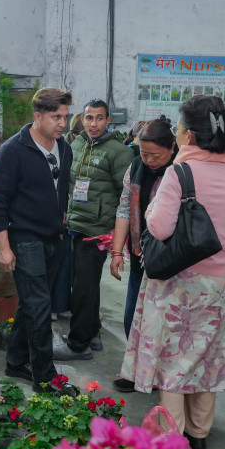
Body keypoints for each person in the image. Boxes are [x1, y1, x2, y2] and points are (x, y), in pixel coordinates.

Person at [118, 96, 225, 449]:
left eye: (178, 129)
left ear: (189, 135)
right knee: (206, 356)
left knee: (172, 359)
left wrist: (153, 211)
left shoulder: (179, 173)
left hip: (177, 281)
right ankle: (199, 436)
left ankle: (172, 439)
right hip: (217, 283)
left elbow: (159, 228)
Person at [0, 87, 78, 394]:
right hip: (24, 238)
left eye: (65, 117)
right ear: (38, 116)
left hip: (54, 237)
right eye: (56, 117)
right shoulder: (13, 151)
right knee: (40, 305)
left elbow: (61, 190)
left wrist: (61, 222)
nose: (62, 123)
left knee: (32, 303)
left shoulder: (64, 148)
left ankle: (16, 361)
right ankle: (45, 377)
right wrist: (4, 247)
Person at [54, 99, 133, 361]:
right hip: (76, 224)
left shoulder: (119, 152)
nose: (94, 123)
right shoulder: (76, 144)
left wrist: (118, 239)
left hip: (98, 230)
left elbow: (126, 197)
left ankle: (79, 344)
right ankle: (92, 331)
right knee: (84, 284)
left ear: (108, 120)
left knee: (84, 286)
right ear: (82, 120)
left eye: (99, 118)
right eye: (89, 118)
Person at [108, 116, 177, 392]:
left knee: (164, 322)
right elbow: (125, 208)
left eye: (155, 155)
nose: (149, 160)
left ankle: (160, 375)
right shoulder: (136, 166)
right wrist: (117, 251)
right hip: (140, 255)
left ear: (172, 148)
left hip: (171, 260)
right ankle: (136, 371)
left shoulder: (182, 171)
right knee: (133, 317)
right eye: (144, 153)